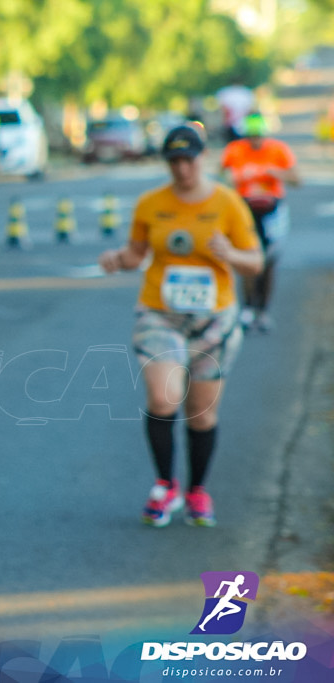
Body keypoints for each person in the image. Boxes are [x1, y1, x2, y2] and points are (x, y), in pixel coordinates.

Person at [98, 125, 263, 528]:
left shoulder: (227, 204)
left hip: (214, 318)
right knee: (163, 399)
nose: (182, 169)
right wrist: (118, 259)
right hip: (160, 314)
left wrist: (231, 255)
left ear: (201, 157)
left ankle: (197, 491)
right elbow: (137, 254)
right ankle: (165, 485)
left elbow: (255, 261)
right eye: (174, 161)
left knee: (201, 414)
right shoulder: (151, 203)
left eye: (188, 160)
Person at [219, 112, 300, 332]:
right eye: (251, 136)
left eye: (258, 136)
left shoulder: (278, 150)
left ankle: (263, 311)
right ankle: (248, 308)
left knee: (269, 260)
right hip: (244, 210)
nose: (255, 141)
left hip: (272, 210)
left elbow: (297, 179)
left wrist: (274, 173)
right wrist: (233, 178)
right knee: (247, 257)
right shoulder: (234, 150)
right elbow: (221, 176)